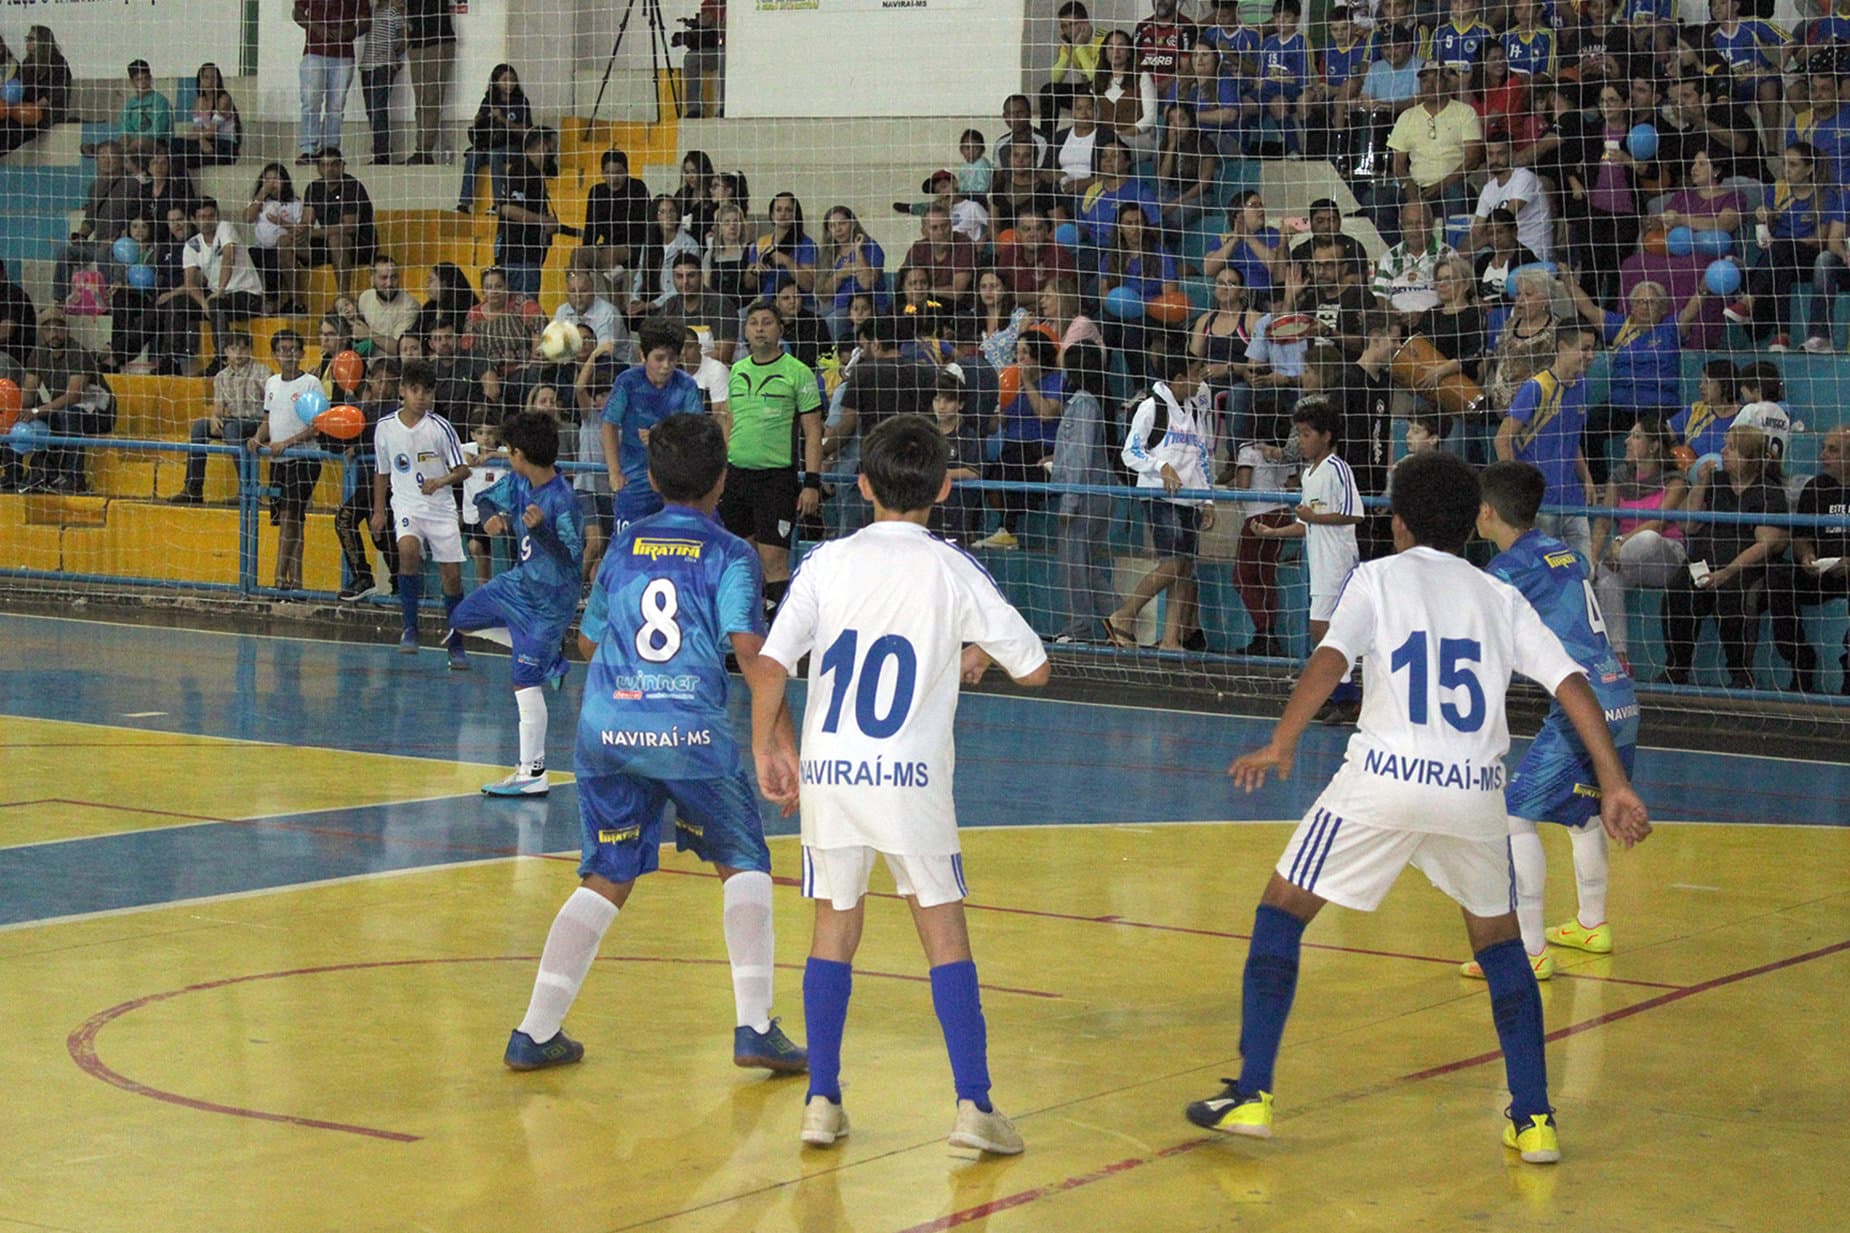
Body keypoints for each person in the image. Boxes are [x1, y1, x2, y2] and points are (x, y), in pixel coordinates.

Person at [1187, 448, 1651, 1162]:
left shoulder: (1374, 577)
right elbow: (1572, 684)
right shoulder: (1499, 594)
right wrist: (1615, 782)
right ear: (1473, 523)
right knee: (1500, 946)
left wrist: (1282, 741)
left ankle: (1252, 1089)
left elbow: (1329, 661)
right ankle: (1533, 1118)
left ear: (1398, 524)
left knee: (1281, 911)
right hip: (1472, 789)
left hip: (1384, 777)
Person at [745, 412, 1049, 1154]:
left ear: (859, 483)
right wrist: (970, 646)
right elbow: (1037, 667)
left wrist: (767, 748)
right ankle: (974, 1105)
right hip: (908, 776)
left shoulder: (824, 562)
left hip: (832, 769)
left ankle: (822, 1100)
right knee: (941, 928)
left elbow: (770, 664)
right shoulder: (952, 567)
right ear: (944, 488)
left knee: (833, 924)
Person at [505, 411, 807, 1075]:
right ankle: (754, 1024)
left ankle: (534, 1030)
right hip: (689, 735)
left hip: (607, 729)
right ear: (722, 481)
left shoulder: (624, 544)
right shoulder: (730, 553)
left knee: (607, 874)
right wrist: (777, 745)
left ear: (650, 476)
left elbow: (586, 642)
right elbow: (756, 659)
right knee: (743, 860)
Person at [1459, 460, 1639, 982]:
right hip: (1620, 694)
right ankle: (1591, 922)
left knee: (1515, 815)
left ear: (1486, 513)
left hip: (1585, 705)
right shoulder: (1566, 554)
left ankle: (1530, 950)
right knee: (1583, 814)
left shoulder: (1507, 572)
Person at [449, 411, 584, 795]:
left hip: (551, 600)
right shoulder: (520, 482)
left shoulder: (563, 499)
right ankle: (548, 658)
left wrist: (542, 531)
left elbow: (571, 559)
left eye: (509, 451)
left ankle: (533, 773)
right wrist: (491, 517)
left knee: (525, 682)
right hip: (518, 584)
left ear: (520, 454)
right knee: (460, 618)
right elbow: (483, 498)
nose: (508, 456)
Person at [1250, 398, 1365, 720]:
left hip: (1338, 561)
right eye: (1298, 434)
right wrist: (1272, 534)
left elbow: (1353, 514)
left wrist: (1312, 516)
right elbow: (1305, 523)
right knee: (1323, 629)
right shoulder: (1309, 475)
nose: (1301, 441)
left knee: (1324, 628)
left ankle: (1345, 696)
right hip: (1320, 563)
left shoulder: (1338, 469)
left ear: (1326, 436)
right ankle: (1340, 695)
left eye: (1306, 434)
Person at [1660, 419, 1790, 688]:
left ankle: (1741, 673)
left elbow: (1766, 543)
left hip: (1744, 567)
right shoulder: (1716, 482)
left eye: (1731, 449)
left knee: (1731, 595)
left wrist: (1728, 571)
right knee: (1678, 590)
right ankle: (1676, 668)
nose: (1723, 453)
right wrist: (1701, 484)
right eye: (1725, 446)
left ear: (1750, 458)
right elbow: (1688, 525)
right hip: (1705, 561)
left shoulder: (1768, 491)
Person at [1107, 347, 1217, 651]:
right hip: (1159, 496)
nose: (1200, 381)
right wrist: (1161, 466)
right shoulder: (1151, 407)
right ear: (1179, 378)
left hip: (1189, 497)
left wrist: (1207, 499)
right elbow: (1130, 452)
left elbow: (1201, 456)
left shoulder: (1195, 409)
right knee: (1172, 564)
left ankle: (1170, 639)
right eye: (1196, 374)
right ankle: (1124, 614)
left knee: (1185, 569)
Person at [720, 302, 823, 619]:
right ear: (746, 330)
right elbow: (728, 422)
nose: (760, 328)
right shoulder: (736, 371)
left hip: (776, 481)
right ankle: (747, 638)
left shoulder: (798, 373)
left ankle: (782, 643)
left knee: (773, 562)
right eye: (753, 323)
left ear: (780, 329)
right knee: (741, 562)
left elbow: (813, 431)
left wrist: (812, 484)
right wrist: (722, 473)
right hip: (737, 479)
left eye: (767, 322)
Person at [371, 359, 472, 666]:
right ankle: (410, 628)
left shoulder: (441, 428)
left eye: (427, 391)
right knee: (408, 551)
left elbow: (463, 470)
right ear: (402, 391)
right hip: (406, 505)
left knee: (451, 578)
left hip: (440, 508)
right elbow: (381, 472)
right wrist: (378, 511)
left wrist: (440, 480)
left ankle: (456, 643)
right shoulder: (385, 427)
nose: (421, 397)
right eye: (414, 390)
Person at [1589, 416, 1690, 669]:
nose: (1627, 441)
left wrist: (1621, 542)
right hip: (1626, 560)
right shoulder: (1620, 477)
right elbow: (1603, 522)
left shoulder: (1675, 480)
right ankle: (1619, 658)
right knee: (1604, 576)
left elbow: (1659, 522)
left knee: (1648, 538)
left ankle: (1616, 559)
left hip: (1663, 556)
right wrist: (1591, 559)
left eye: (1636, 436)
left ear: (1654, 445)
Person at [1495, 324, 1597, 562]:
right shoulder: (1537, 387)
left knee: (1585, 573)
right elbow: (1502, 440)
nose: (1591, 356)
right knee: (1545, 576)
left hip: (1573, 500)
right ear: (1563, 347)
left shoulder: (1583, 386)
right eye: (1585, 349)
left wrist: (1587, 479)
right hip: (1542, 502)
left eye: (1593, 349)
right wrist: (1516, 489)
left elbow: (1570, 437)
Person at [600, 317, 704, 539]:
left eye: (672, 358)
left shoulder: (686, 385)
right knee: (627, 549)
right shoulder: (627, 382)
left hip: (676, 485)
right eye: (659, 358)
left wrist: (664, 435)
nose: (666, 365)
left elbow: (696, 431)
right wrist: (614, 471)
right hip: (635, 482)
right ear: (642, 356)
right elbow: (609, 424)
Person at [1767, 425, 1850, 693]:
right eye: (1823, 448)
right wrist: (1806, 556)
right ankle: (1799, 658)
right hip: (1821, 572)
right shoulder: (1816, 487)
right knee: (1778, 577)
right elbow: (1800, 536)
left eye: (1832, 450)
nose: (1822, 455)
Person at [1049, 339, 1114, 643]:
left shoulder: (1085, 403)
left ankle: (1078, 629)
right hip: (1092, 490)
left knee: (1073, 563)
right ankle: (1119, 621)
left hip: (1085, 494)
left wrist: (1069, 501)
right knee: (1086, 565)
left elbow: (1081, 455)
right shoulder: (1088, 401)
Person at [246, 330, 321, 589]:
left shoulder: (311, 383)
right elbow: (268, 421)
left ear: (301, 353)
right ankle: (296, 581)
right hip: (278, 461)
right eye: (282, 349)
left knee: (291, 517)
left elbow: (316, 426)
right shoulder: (272, 383)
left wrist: (286, 444)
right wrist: (258, 438)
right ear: (274, 354)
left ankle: (279, 578)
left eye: (293, 349)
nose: (288, 354)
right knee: (292, 521)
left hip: (303, 458)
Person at [11, 308, 113, 493]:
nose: (54, 334)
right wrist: (13, 410)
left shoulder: (77, 353)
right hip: (65, 409)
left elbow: (74, 396)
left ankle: (74, 477)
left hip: (99, 412)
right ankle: (28, 473)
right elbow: (28, 394)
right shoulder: (39, 353)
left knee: (66, 412)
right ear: (41, 332)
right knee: (27, 415)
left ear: (66, 330)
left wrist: (36, 411)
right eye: (48, 329)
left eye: (58, 328)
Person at [171, 332, 269, 504]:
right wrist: (215, 417)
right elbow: (218, 407)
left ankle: (248, 491)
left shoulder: (262, 372)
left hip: (259, 422)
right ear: (225, 351)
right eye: (233, 349)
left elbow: (271, 405)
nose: (238, 354)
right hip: (235, 421)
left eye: (243, 348)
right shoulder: (221, 376)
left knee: (232, 429)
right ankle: (193, 489)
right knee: (200, 427)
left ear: (251, 350)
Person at [293, 0, 368, 164]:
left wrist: (349, 32)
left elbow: (365, 20)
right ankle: (309, 150)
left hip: (344, 54)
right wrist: (316, 27)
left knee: (336, 106)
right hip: (314, 52)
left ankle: (330, 150)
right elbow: (297, 12)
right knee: (310, 101)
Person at [497, 126, 563, 301]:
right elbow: (508, 209)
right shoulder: (524, 171)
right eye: (553, 147)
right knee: (524, 313)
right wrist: (543, 221)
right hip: (520, 259)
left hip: (524, 257)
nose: (555, 153)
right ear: (542, 146)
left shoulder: (529, 171)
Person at [301, 148, 377, 297]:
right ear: (318, 168)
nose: (329, 169)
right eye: (324, 165)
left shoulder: (352, 186)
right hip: (326, 243)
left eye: (333, 164)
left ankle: (344, 296)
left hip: (359, 244)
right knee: (284, 241)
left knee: (336, 239)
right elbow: (307, 221)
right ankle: (295, 302)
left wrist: (314, 233)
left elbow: (350, 227)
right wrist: (297, 230)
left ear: (342, 166)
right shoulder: (313, 188)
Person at [457, 64, 531, 214]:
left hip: (513, 145)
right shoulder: (488, 100)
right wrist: (478, 119)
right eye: (505, 80)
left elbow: (526, 131)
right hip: (491, 143)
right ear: (496, 82)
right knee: (473, 155)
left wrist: (504, 120)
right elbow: (480, 124)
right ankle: (464, 203)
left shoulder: (521, 102)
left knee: (495, 155)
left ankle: (499, 203)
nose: (509, 84)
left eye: (512, 80)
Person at [402, 0, 456, 164]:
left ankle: (424, 150)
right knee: (421, 100)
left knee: (431, 98)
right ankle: (421, 149)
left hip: (438, 40)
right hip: (417, 43)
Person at [356, 1, 404, 164]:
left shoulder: (393, 11)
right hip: (367, 66)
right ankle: (380, 151)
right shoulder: (372, 10)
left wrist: (393, 56)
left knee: (378, 110)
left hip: (383, 66)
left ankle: (382, 154)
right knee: (371, 111)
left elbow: (405, 36)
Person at [184, 63, 242, 169]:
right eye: (206, 77)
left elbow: (212, 132)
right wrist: (201, 140)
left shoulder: (224, 99)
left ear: (218, 81)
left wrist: (197, 137)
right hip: (206, 144)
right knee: (175, 149)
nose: (210, 81)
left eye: (213, 77)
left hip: (225, 146)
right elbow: (197, 130)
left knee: (180, 150)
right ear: (200, 81)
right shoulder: (199, 101)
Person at [679, 0, 727, 118]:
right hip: (717, 50)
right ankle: (694, 109)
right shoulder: (709, 4)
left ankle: (724, 106)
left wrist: (718, 25)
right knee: (691, 58)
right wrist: (699, 25)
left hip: (736, 50)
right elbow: (710, 38)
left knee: (723, 55)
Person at [117, 59, 172, 150]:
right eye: (138, 79)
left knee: (139, 143)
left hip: (159, 145)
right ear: (132, 82)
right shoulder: (130, 104)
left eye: (145, 78)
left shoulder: (160, 101)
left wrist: (135, 139)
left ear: (150, 78)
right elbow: (125, 128)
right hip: (133, 144)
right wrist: (125, 138)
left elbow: (158, 132)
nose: (143, 83)